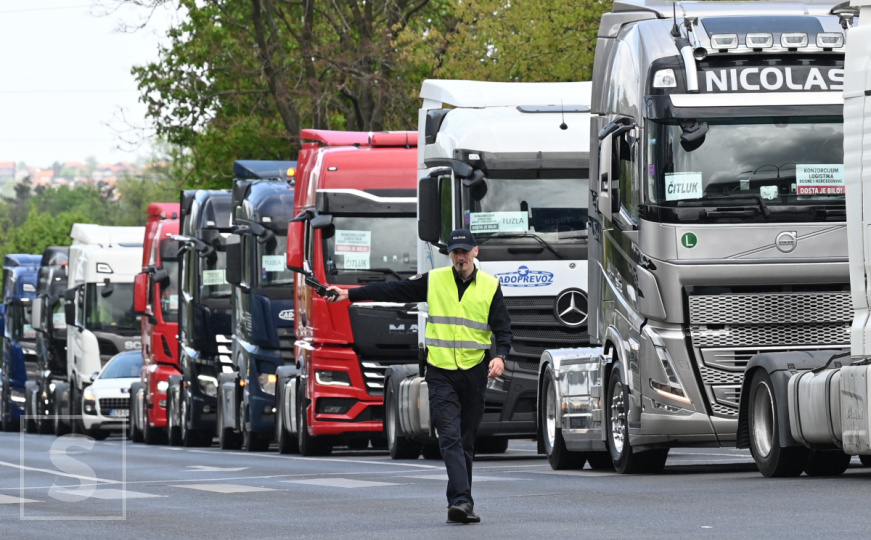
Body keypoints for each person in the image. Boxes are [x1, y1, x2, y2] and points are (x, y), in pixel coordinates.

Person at [326, 228, 512, 524]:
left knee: (465, 440)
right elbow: (392, 291)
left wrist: (500, 355)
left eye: (465, 251)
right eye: (455, 252)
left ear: (476, 252)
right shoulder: (435, 280)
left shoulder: (490, 286)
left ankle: (459, 502)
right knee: (449, 436)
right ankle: (463, 501)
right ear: (450, 255)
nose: (460, 257)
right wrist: (349, 294)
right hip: (440, 372)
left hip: (474, 371)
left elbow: (503, 328)